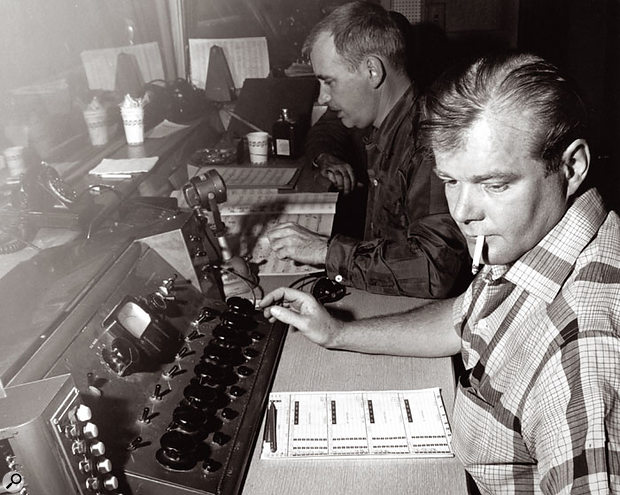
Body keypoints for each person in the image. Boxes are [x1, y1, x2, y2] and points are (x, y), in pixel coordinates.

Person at [259, 52, 620, 493]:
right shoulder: (533, 240)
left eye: (495, 184)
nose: (464, 213)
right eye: (451, 181)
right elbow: (466, 319)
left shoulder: (582, 350)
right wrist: (337, 332)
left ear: (571, 165)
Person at [266, 1, 469, 299]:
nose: (323, 98)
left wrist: (324, 250)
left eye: (329, 82)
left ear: (372, 70)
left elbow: (434, 270)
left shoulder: (431, 143)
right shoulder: (388, 124)